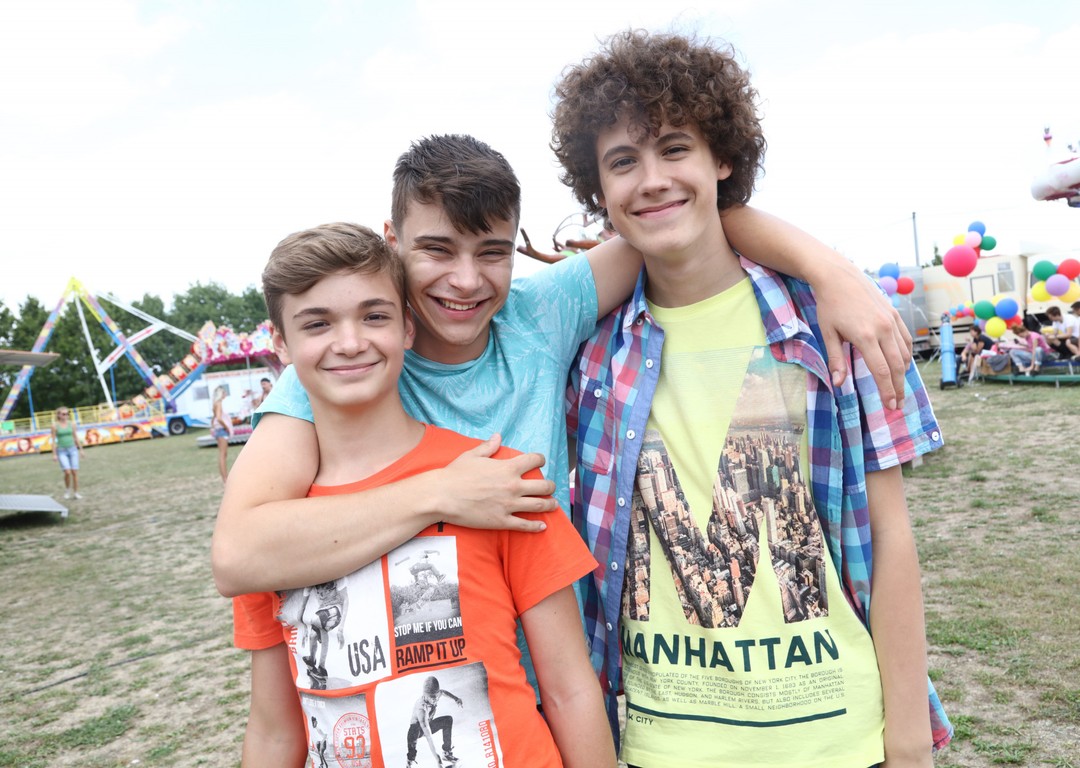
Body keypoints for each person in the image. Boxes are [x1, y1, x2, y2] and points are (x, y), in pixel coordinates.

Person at [550, 29, 951, 766]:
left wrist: (908, 741)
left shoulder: (832, 319)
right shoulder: (591, 350)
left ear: (722, 159)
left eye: (675, 148)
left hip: (837, 737)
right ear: (598, 190)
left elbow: (891, 537)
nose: (651, 179)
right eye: (622, 161)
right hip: (664, 743)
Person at [233, 222, 615, 767]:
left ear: (407, 327)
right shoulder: (278, 534)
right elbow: (275, 732)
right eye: (317, 323)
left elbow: (570, 693)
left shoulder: (500, 483)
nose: (350, 342)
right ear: (280, 344)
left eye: (374, 316)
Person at [407, 676, 463, 767]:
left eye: (435, 696)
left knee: (448, 720)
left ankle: (446, 753)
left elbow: (443, 692)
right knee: (414, 731)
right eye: (432, 697)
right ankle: (410, 761)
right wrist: (437, 758)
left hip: (428, 724)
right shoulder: (421, 708)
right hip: (418, 730)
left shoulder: (436, 694)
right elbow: (428, 736)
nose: (434, 699)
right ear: (425, 695)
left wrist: (456, 699)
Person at [50, 407, 86, 499]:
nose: (66, 415)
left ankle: (76, 492)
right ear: (58, 415)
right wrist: (54, 454)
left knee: (74, 472)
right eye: (63, 414)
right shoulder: (54, 426)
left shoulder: (72, 424)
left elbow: (75, 437)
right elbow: (53, 441)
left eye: (67, 414)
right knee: (67, 472)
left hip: (73, 449)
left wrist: (81, 450)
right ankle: (67, 490)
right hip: (62, 450)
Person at [211, 385, 233, 482]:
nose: (225, 394)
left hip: (218, 429)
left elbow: (214, 418)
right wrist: (226, 427)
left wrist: (212, 427)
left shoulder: (215, 403)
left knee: (222, 454)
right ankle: (225, 477)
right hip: (221, 430)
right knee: (223, 454)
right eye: (224, 392)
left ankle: (224, 476)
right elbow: (219, 418)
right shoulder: (219, 403)